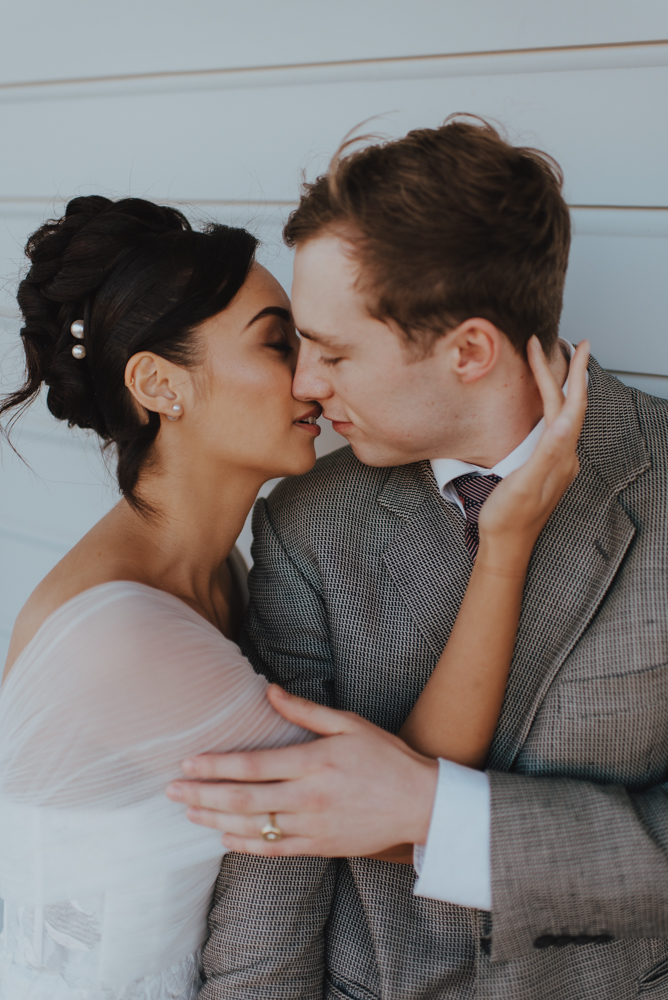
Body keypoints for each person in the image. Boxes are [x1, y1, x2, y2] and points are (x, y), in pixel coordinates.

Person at [0, 194, 584, 1000]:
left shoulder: (213, 570)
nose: (313, 377)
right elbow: (382, 804)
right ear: (159, 384)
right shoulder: (126, 632)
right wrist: (505, 545)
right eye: (280, 345)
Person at [170, 120, 668, 1000]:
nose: (305, 387)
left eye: (334, 351)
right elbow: (274, 853)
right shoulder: (306, 524)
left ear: (469, 351)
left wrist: (443, 819)